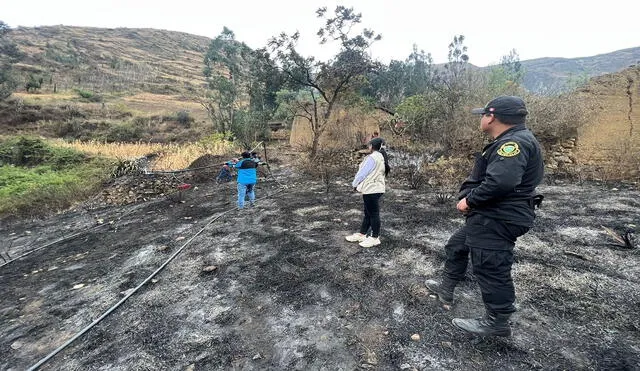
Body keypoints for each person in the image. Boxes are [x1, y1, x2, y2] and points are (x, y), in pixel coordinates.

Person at [424, 96, 544, 337]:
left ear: (491, 117)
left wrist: (469, 200)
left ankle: (497, 322)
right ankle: (446, 288)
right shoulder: (511, 140)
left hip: (499, 218)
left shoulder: (513, 143)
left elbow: (501, 181)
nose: (481, 118)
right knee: (457, 245)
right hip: (489, 215)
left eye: (483, 114)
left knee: (491, 266)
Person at [345, 137, 390, 248]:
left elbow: (362, 173)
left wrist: (354, 184)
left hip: (371, 189)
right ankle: (362, 234)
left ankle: (375, 238)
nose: (368, 147)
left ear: (372, 146)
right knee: (369, 213)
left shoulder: (372, 157)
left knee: (373, 214)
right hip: (376, 188)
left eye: (369, 145)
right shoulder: (381, 157)